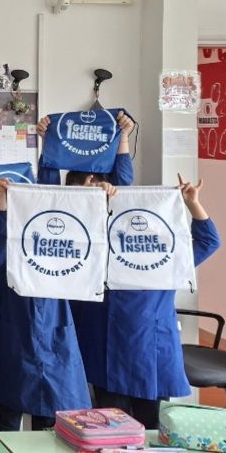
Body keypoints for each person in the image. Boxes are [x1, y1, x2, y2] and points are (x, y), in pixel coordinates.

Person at [75, 174, 220, 428]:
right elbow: (72, 239)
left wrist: (192, 203)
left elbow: (209, 241)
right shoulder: (98, 254)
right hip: (107, 353)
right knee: (112, 431)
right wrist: (88, 200)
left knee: (152, 430)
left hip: (151, 354)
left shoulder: (165, 258)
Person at [0, 176, 118, 431]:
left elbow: (91, 239)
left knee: (49, 420)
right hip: (15, 337)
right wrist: (2, 200)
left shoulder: (68, 262)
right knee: (7, 419)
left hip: (57, 338)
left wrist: (97, 199)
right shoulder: (12, 258)